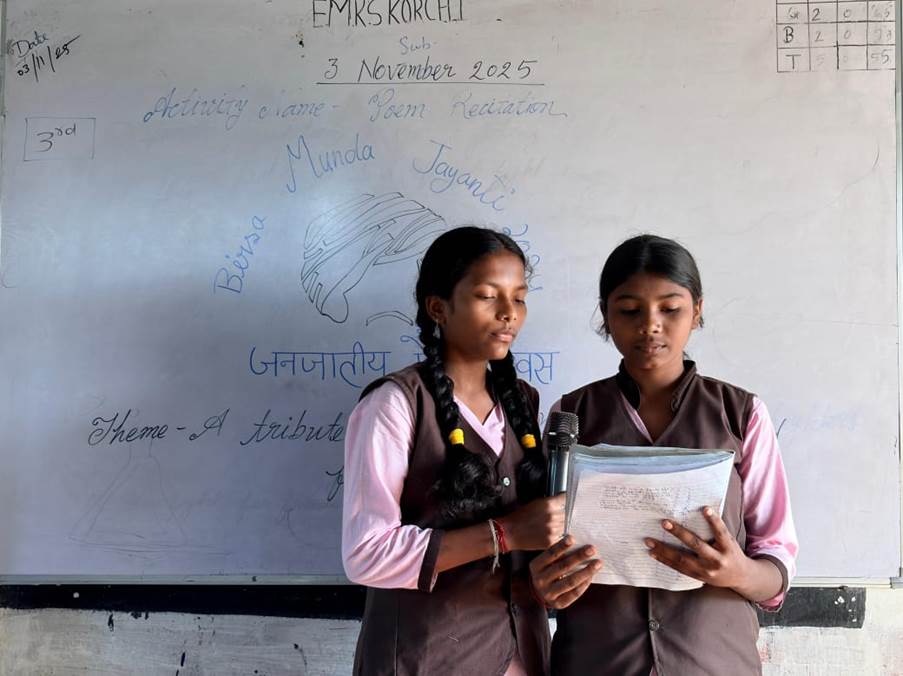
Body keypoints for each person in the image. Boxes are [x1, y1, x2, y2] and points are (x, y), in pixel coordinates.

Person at [529, 234, 798, 676]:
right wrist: (543, 584)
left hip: (712, 660)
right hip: (598, 660)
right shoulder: (571, 415)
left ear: (697, 310)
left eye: (670, 309)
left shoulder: (742, 414)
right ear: (606, 315)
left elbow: (776, 561)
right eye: (630, 310)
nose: (650, 325)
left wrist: (735, 572)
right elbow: (541, 544)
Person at [343, 226, 565, 675]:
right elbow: (366, 553)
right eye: (488, 296)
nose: (509, 314)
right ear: (438, 307)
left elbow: (531, 543)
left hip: (522, 653)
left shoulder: (523, 402)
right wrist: (504, 534)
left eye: (519, 298)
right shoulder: (394, 404)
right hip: (428, 659)